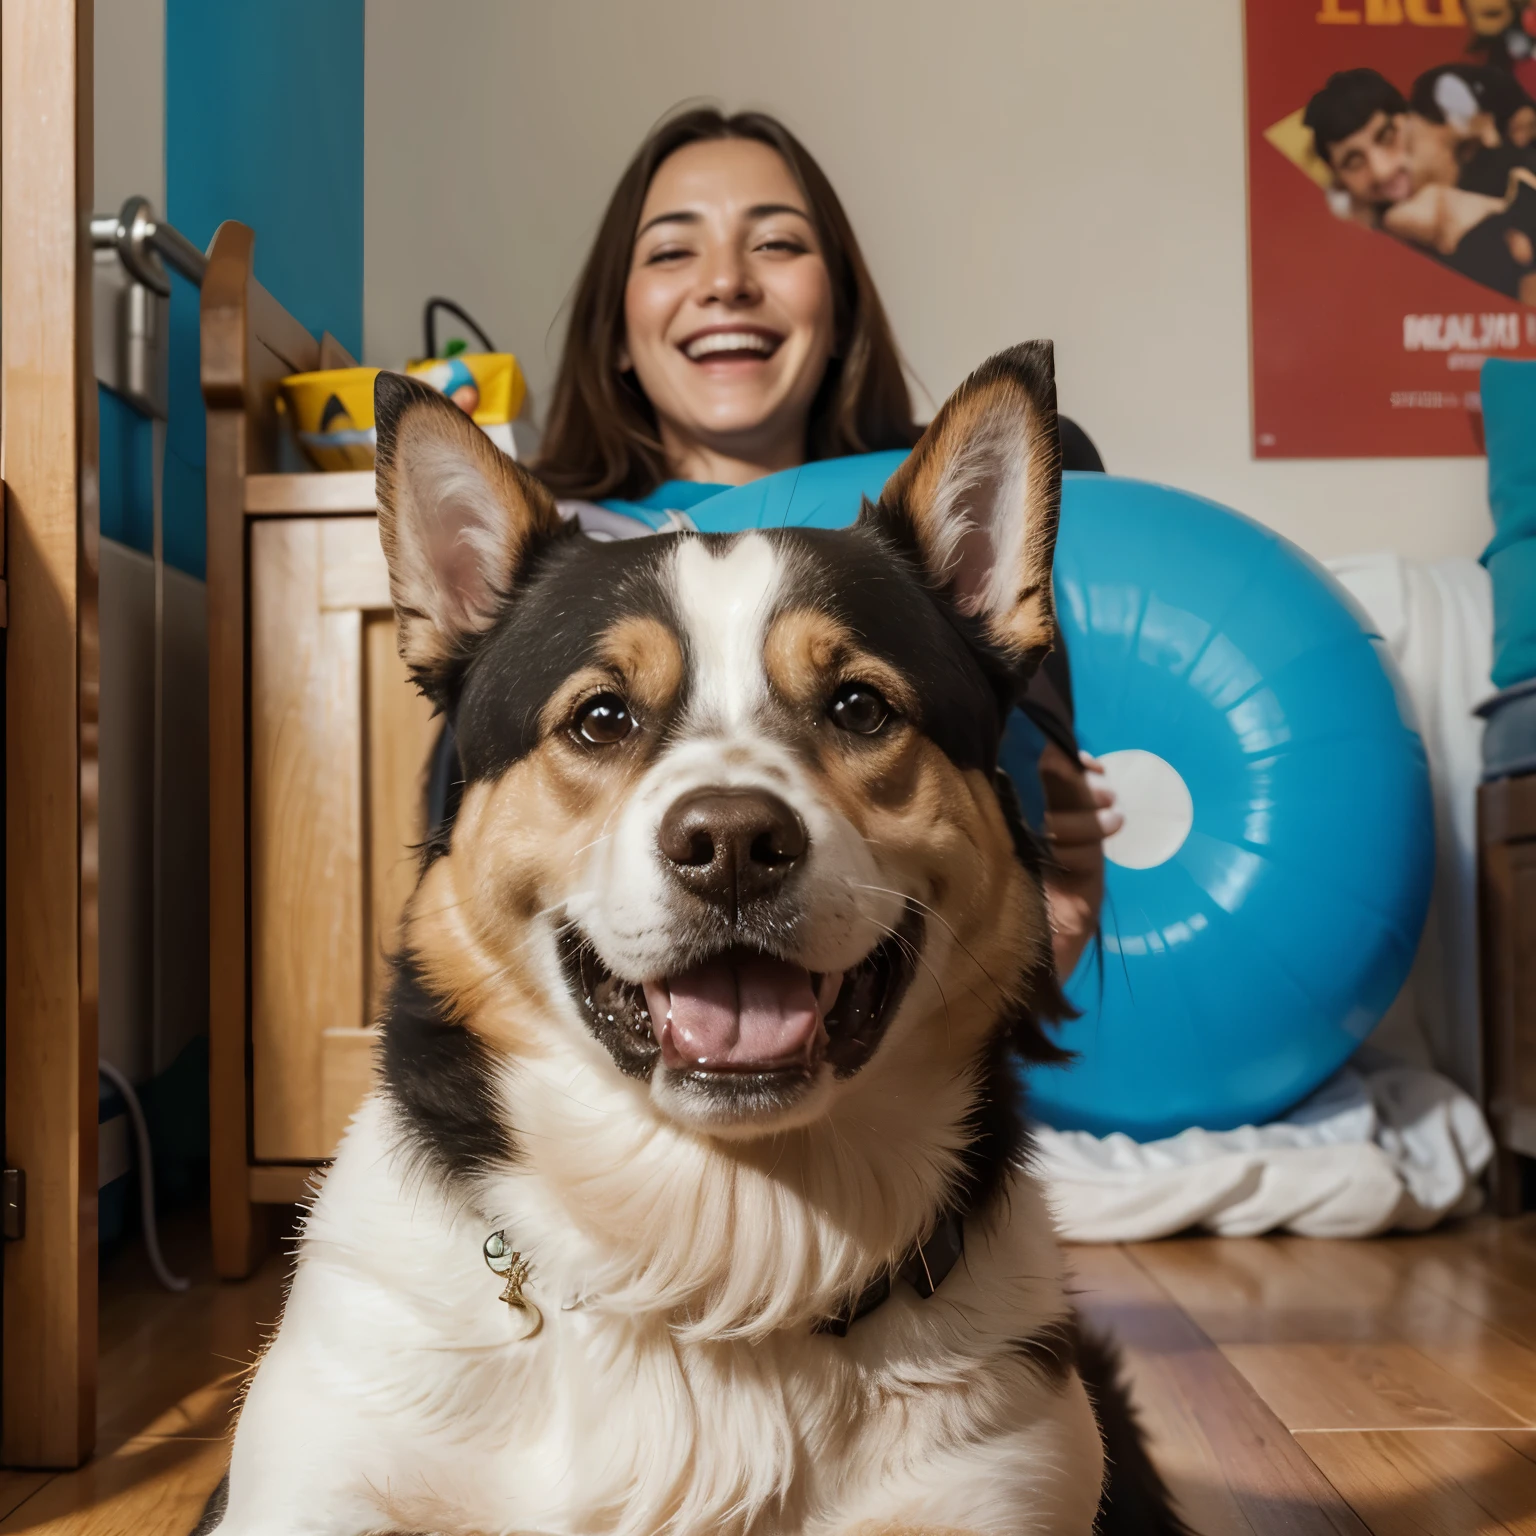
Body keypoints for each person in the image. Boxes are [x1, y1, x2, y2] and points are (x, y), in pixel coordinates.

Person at [428, 106, 1121, 979]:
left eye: (778, 245)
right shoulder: (545, 570)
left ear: (840, 314)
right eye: (673, 251)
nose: (726, 283)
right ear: (616, 332)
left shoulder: (947, 533)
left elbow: (1032, 806)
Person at [1305, 68, 1536, 303]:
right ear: (1340, 181)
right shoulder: (1367, 245)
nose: (1383, 170)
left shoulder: (1506, 163)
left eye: (1386, 136)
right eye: (1353, 163)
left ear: (1409, 121)